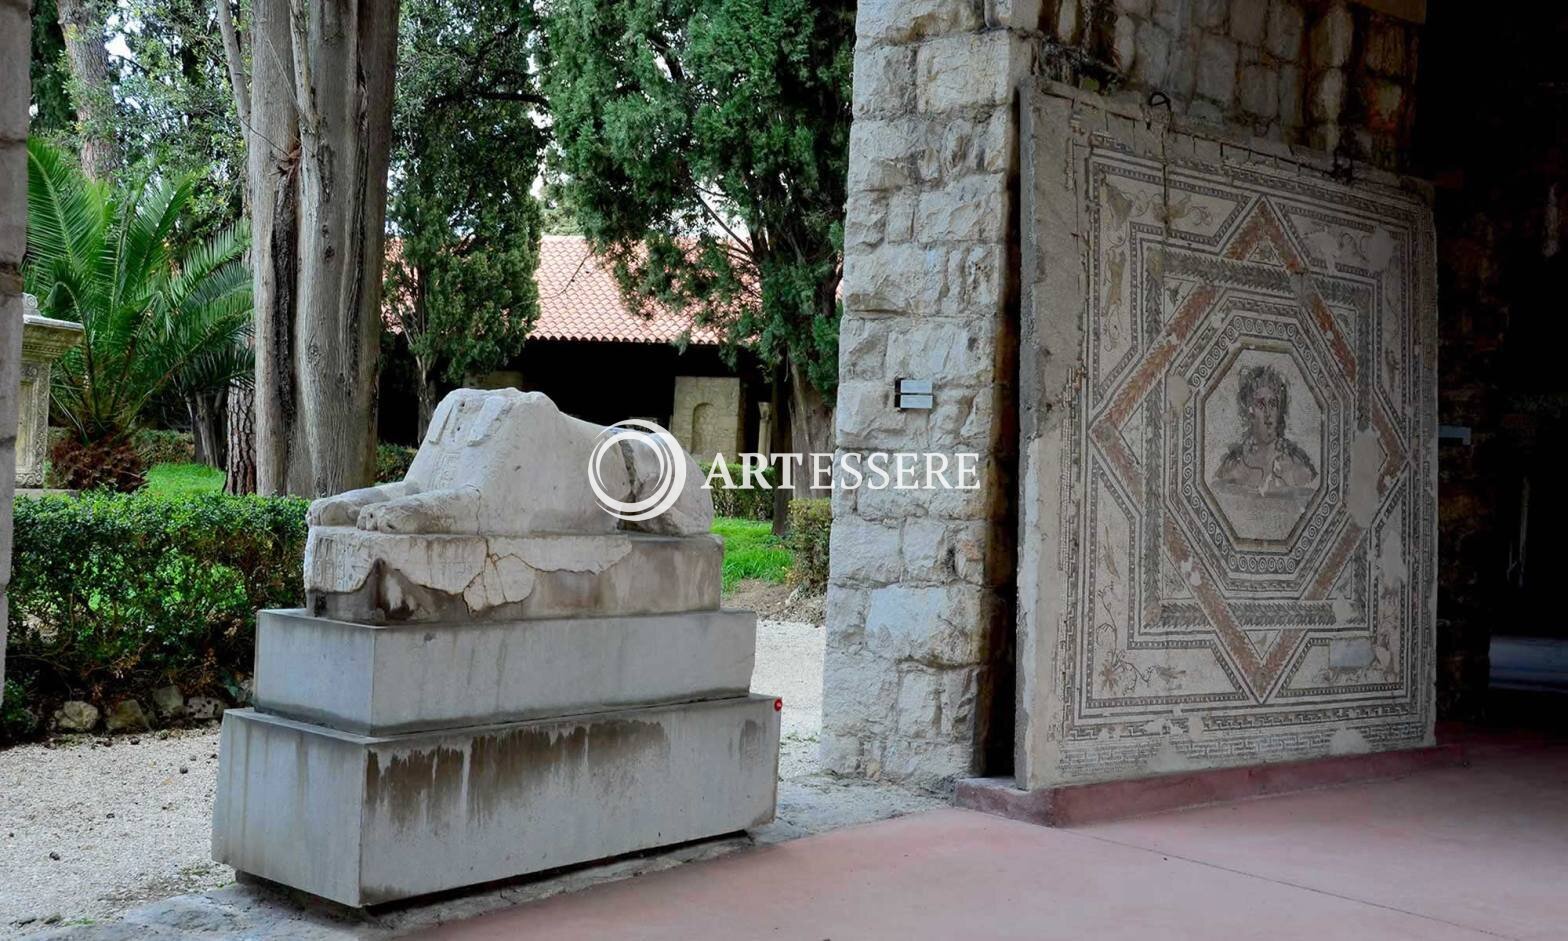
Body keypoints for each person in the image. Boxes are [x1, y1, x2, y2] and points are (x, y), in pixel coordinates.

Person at [1214, 364, 1317, 496]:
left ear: (1279, 411)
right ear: (1249, 411)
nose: (1268, 413)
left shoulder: (1295, 460)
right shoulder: (1234, 463)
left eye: (1273, 404)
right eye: (1261, 405)